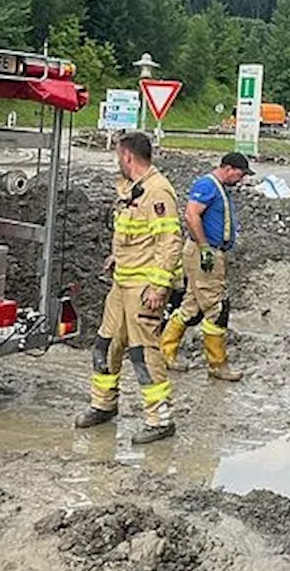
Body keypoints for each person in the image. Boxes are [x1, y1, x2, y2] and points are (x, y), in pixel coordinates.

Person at [75, 132, 182, 444]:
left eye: (117, 156)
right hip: (122, 283)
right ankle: (103, 404)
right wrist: (116, 257)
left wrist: (159, 286)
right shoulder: (133, 190)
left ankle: (160, 419)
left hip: (143, 288)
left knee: (143, 353)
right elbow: (136, 234)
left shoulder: (157, 191)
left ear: (127, 157)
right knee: (106, 346)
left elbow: (169, 241)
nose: (116, 162)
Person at [158, 152, 251, 381]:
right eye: (240, 174)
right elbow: (191, 215)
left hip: (207, 251)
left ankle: (165, 352)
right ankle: (217, 364)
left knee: (191, 306)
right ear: (228, 168)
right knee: (217, 308)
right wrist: (204, 248)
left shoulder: (219, 187)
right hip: (205, 253)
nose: (241, 179)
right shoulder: (207, 185)